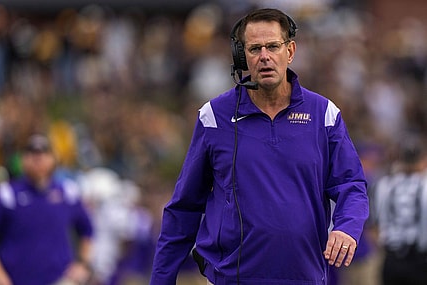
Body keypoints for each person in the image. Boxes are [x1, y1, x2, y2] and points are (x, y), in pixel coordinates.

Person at [150, 8, 369, 285]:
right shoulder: (214, 117)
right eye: (254, 49)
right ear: (242, 57)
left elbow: (352, 184)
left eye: (273, 46)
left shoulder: (324, 114)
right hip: (231, 279)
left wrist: (347, 227)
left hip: (304, 278)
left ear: (290, 51)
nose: (264, 56)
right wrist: (161, 280)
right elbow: (183, 209)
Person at [0, 134, 94, 285]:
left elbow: (87, 230)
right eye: (32, 154)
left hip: (58, 279)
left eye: (43, 153)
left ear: (53, 159)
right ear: (23, 159)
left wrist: (83, 263)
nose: (38, 159)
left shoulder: (67, 192)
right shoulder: (7, 194)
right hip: (16, 279)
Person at [374, 135, 427, 285]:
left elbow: (375, 225)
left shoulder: (384, 185)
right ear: (422, 159)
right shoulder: (425, 185)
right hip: (420, 260)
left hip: (391, 258)